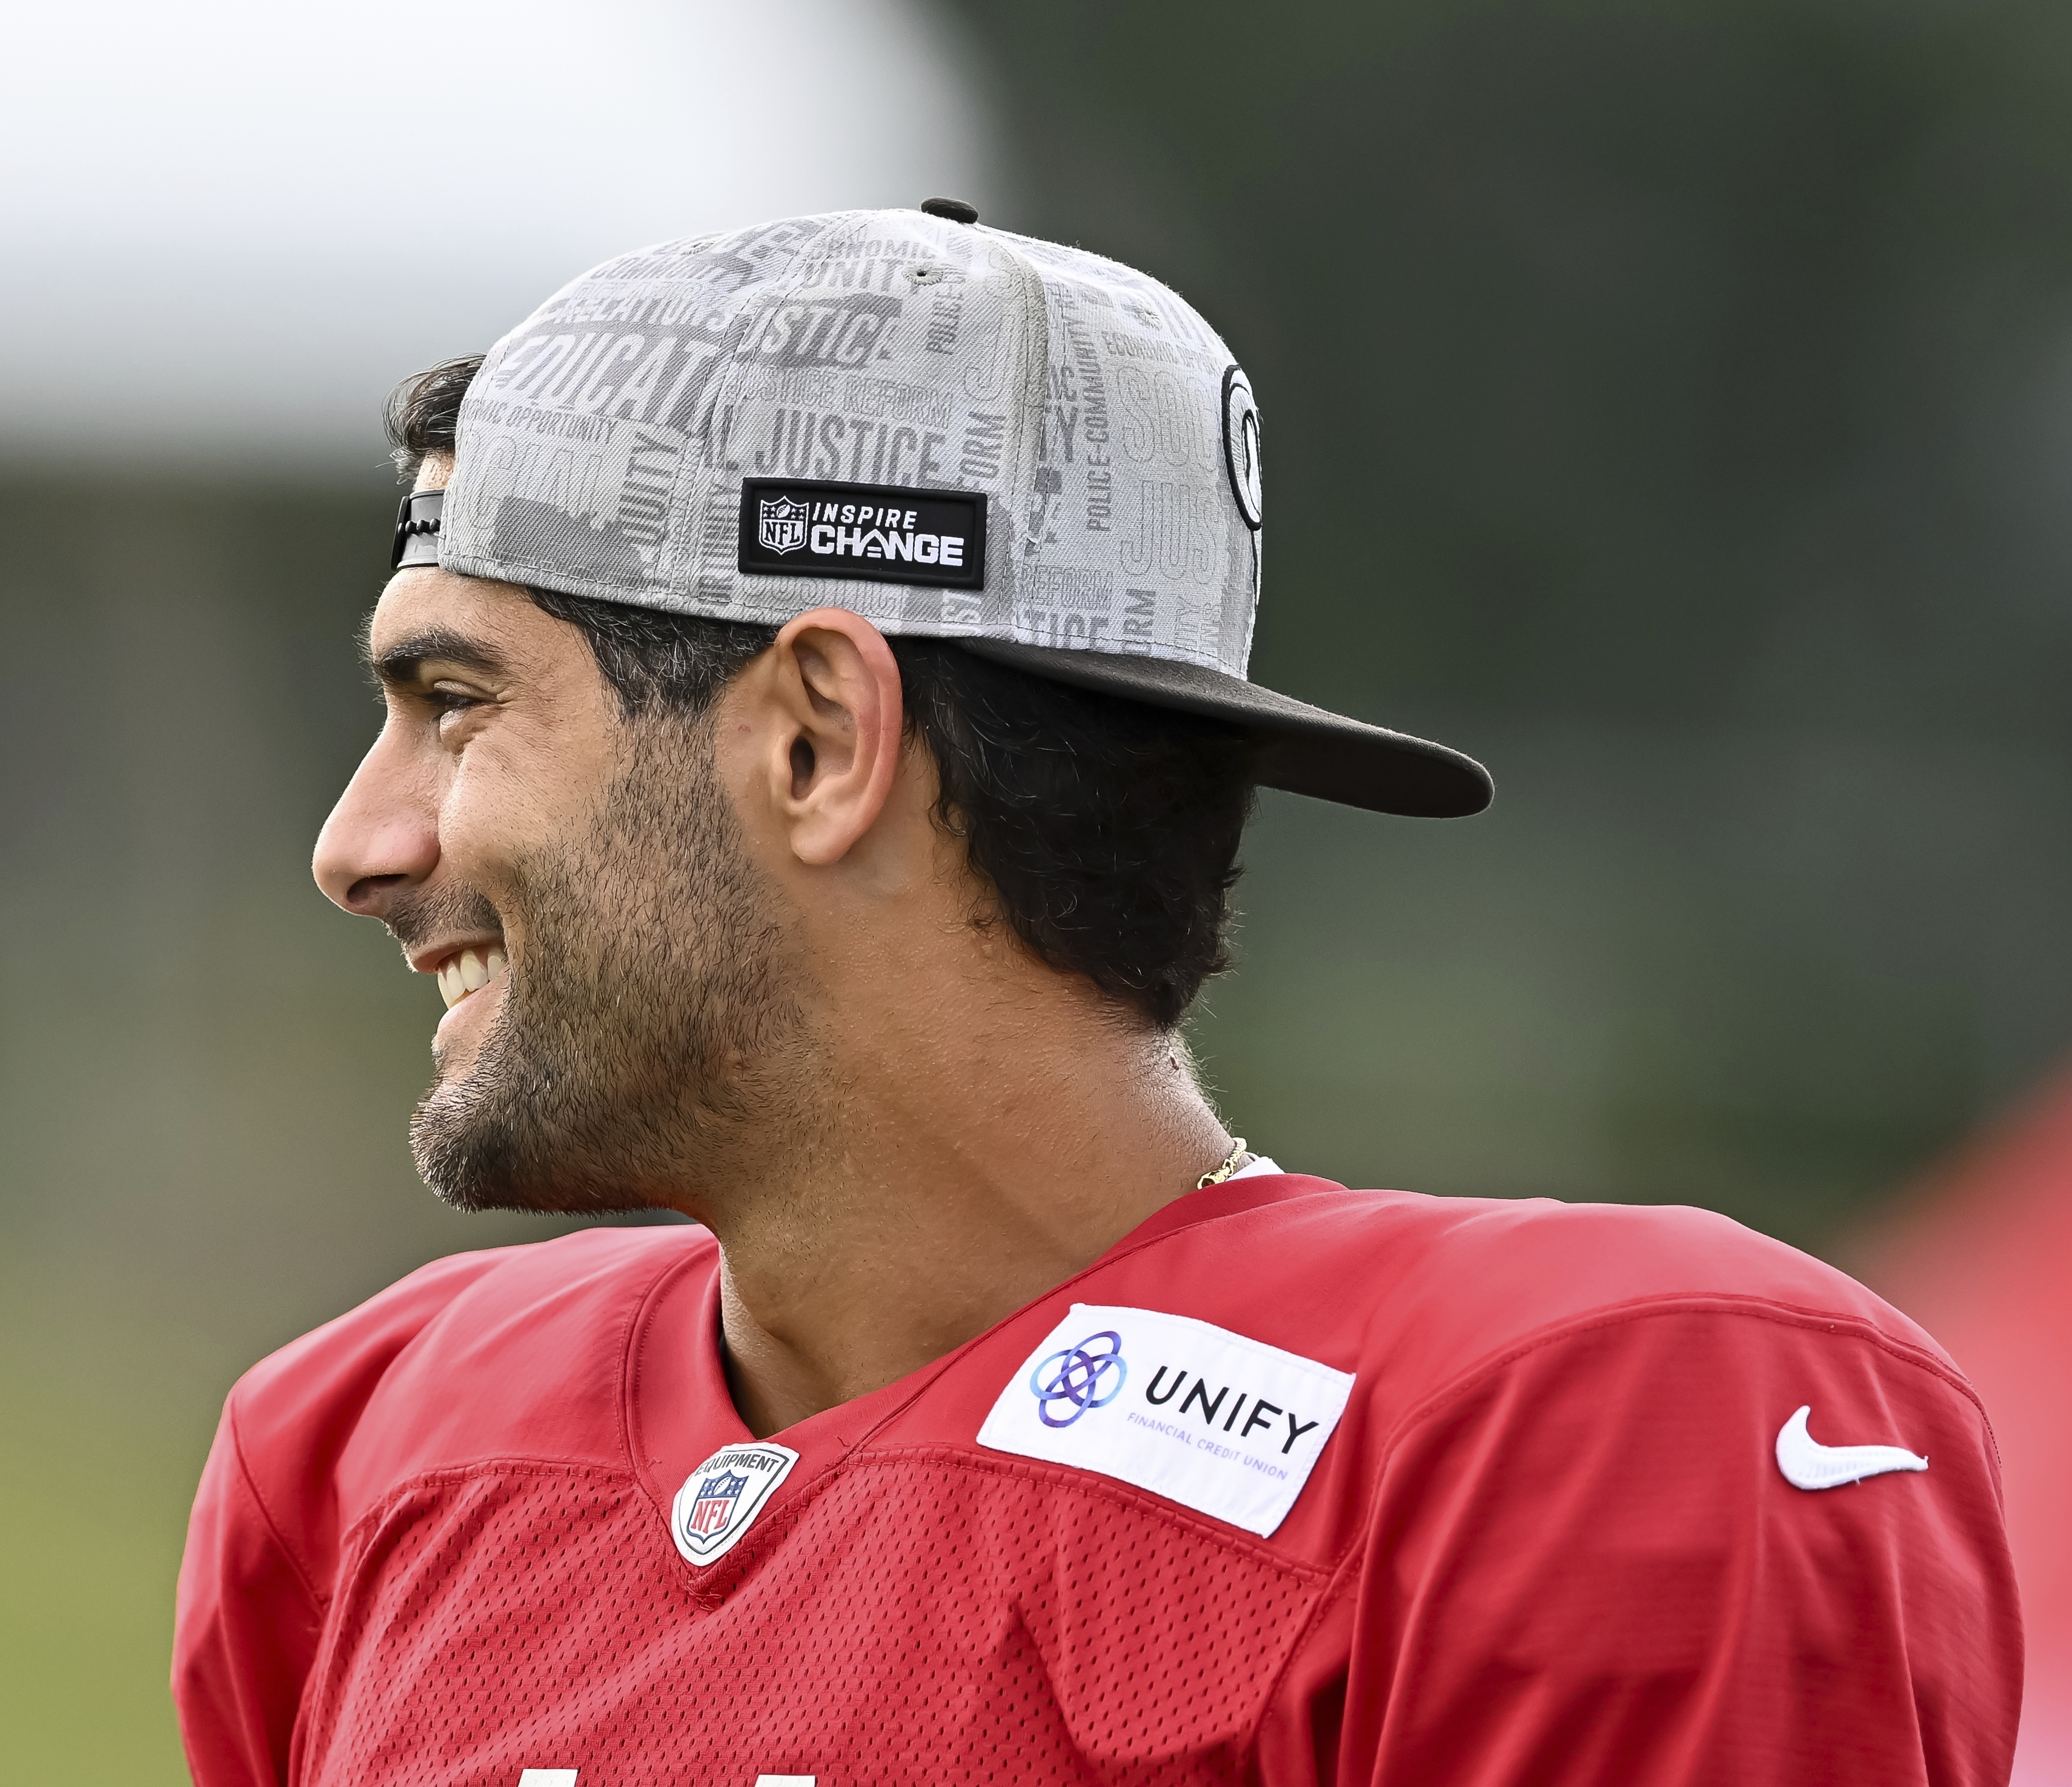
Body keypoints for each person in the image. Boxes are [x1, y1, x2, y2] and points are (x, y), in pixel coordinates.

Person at [172, 203, 2020, 1786]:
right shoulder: (364, 1453)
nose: (360, 842)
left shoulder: (1574, 1418)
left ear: (818, 741)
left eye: (459, 704)